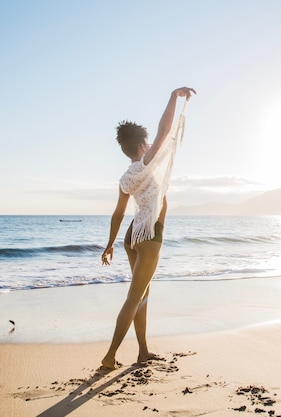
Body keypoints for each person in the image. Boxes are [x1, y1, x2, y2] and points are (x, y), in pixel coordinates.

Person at [100, 86, 196, 369]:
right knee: (134, 297)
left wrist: (110, 244)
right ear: (143, 146)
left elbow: (118, 214)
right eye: (148, 143)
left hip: (132, 235)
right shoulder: (147, 162)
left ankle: (143, 351)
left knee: (142, 294)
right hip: (150, 234)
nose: (152, 145)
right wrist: (172, 97)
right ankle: (109, 356)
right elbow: (164, 128)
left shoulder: (125, 177)